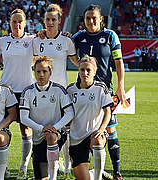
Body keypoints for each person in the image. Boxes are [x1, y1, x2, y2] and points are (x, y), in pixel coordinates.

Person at [72, 4, 126, 180]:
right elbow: (63, 46)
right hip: (84, 89)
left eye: (94, 18)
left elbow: (118, 62)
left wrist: (120, 87)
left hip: (105, 90)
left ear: (101, 19)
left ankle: (116, 171)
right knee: (83, 127)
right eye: (88, 18)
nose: (91, 21)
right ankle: (93, 169)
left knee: (109, 129)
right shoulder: (79, 36)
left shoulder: (110, 35)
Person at [33, 4, 79, 175]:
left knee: (65, 130)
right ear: (44, 21)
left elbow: (76, 61)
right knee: (40, 129)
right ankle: (38, 163)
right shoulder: (37, 41)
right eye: (48, 19)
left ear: (60, 21)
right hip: (41, 92)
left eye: (54, 19)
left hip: (62, 92)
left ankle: (67, 167)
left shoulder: (67, 41)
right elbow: (30, 61)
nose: (50, 22)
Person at [0, 8, 35, 179]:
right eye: (14, 22)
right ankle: (1, 167)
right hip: (6, 92)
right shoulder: (2, 42)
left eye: (20, 21)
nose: (17, 24)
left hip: (26, 91)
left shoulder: (33, 40)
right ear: (9, 24)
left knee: (26, 130)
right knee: (0, 129)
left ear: (25, 23)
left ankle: (23, 167)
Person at [19, 56, 74, 180]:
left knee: (51, 136)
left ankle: (53, 177)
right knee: (41, 176)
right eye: (38, 71)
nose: (41, 75)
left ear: (50, 73)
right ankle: (53, 164)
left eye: (45, 71)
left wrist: (54, 128)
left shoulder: (59, 90)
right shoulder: (28, 92)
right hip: (38, 137)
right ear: (34, 72)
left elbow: (70, 113)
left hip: (57, 133)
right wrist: (42, 128)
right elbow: (23, 118)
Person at [67, 55, 113, 180]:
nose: (85, 73)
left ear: (95, 71)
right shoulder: (70, 90)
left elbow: (108, 111)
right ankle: (95, 173)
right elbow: (66, 113)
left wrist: (101, 129)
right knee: (83, 178)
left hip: (94, 133)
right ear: (78, 70)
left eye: (88, 70)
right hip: (76, 137)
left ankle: (98, 176)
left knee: (98, 140)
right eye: (82, 70)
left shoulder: (100, 88)